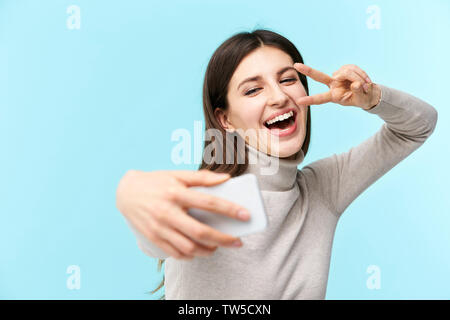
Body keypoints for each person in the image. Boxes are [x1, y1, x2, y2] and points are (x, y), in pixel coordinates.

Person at [115, 29, 438, 299]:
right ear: (224, 119)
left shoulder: (321, 190)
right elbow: (154, 236)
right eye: (254, 89)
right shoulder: (214, 201)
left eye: (287, 80)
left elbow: (417, 126)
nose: (278, 97)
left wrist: (373, 97)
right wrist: (131, 192)